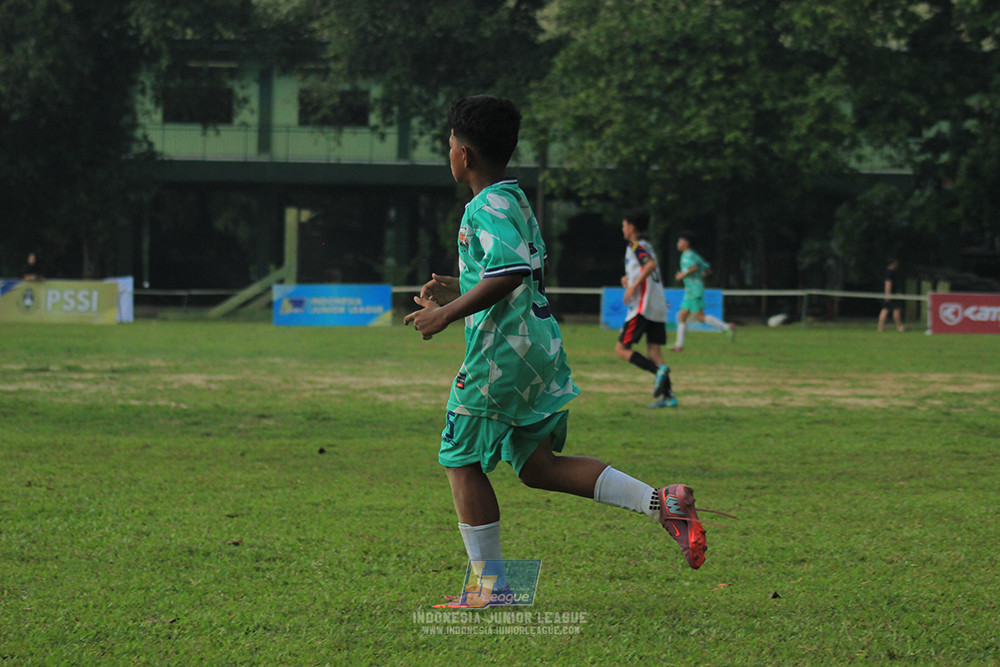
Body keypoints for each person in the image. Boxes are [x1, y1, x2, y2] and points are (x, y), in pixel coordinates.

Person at [404, 96, 720, 606]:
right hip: (538, 348)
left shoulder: (484, 205)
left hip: (501, 354)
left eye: (449, 146)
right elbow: (513, 269)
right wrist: (455, 287)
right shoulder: (515, 198)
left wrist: (447, 313)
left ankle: (491, 589)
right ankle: (664, 505)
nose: (449, 154)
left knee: (459, 459)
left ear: (464, 154)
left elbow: (509, 272)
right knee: (537, 466)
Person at [615, 208, 676, 408]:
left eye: (624, 225)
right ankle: (668, 397)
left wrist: (632, 286)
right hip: (657, 304)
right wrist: (629, 280)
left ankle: (658, 371)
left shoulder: (634, 245)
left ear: (631, 227)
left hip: (643, 306)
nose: (622, 228)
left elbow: (649, 265)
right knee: (654, 350)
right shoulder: (647, 244)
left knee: (622, 349)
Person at [673, 231, 733, 351]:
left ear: (686, 243)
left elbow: (693, 267)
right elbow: (708, 269)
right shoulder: (695, 255)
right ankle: (678, 345)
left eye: (680, 241)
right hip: (691, 290)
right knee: (682, 315)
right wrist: (699, 277)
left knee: (700, 317)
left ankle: (726, 327)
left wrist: (681, 276)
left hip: (694, 291)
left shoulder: (687, 256)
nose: (678, 244)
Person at [878, 258, 905, 333]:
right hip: (891, 295)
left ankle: (881, 327)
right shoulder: (890, 273)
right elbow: (888, 283)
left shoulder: (886, 271)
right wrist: (888, 294)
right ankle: (899, 327)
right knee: (896, 310)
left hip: (889, 294)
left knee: (885, 309)